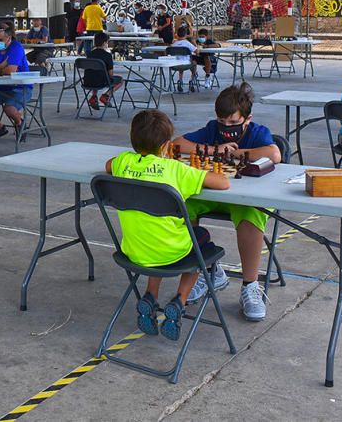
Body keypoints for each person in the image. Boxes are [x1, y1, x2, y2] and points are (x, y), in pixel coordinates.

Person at [104, 109, 230, 340]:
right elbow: (222, 183)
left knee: (156, 234)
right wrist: (198, 169)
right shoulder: (176, 170)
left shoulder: (123, 162)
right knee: (200, 239)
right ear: (165, 146)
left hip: (133, 252)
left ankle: (150, 295)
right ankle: (179, 301)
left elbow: (108, 165)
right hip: (173, 253)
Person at [171, 83, 282, 320]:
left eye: (233, 123)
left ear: (247, 119)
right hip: (215, 193)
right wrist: (214, 149)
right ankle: (208, 268)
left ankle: (250, 285)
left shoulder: (257, 132)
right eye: (222, 122)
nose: (226, 128)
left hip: (245, 197)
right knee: (180, 205)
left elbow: (274, 154)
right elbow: (177, 144)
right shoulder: (213, 130)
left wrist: (236, 153)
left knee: (252, 213)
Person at [84, 31, 125, 110]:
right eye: (107, 42)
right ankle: (106, 95)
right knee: (121, 80)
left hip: (87, 81)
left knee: (94, 74)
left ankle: (94, 97)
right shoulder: (107, 55)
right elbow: (111, 74)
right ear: (104, 43)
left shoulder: (89, 54)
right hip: (101, 82)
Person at [170, 26, 197, 93]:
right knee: (194, 63)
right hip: (186, 64)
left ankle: (180, 80)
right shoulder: (187, 43)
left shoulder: (174, 44)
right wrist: (196, 44)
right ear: (186, 35)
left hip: (175, 64)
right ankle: (192, 80)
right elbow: (197, 51)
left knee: (180, 67)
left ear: (177, 34)